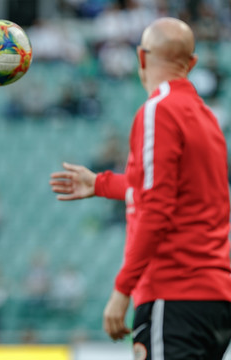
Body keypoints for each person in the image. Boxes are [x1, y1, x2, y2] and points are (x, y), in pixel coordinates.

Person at [50, 17, 231, 359]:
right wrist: (102, 184)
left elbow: (157, 207)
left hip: (172, 293)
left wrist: (122, 289)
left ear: (141, 58)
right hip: (215, 299)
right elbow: (177, 197)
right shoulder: (208, 119)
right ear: (191, 63)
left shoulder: (158, 110)